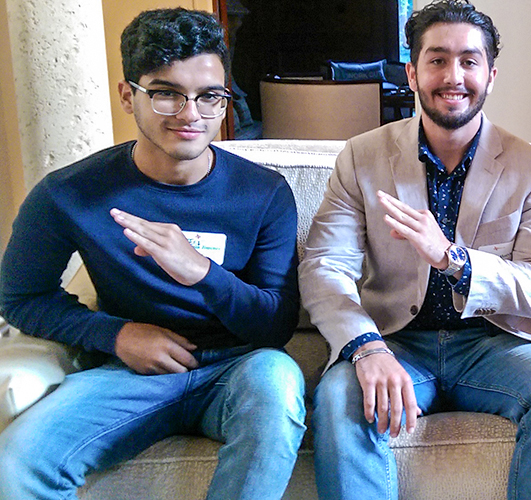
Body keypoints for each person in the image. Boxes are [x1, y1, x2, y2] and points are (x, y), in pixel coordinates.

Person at [0, 8, 305, 500]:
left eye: (209, 97)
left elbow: (277, 324)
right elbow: (20, 297)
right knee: (15, 462)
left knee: (279, 380)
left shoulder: (263, 193)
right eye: (166, 93)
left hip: (239, 367)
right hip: (128, 372)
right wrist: (116, 334)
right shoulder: (68, 194)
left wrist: (203, 273)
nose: (191, 115)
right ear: (129, 96)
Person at [298, 1, 531, 499]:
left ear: (492, 74)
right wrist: (366, 348)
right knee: (340, 396)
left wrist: (454, 259)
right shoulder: (362, 157)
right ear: (412, 72)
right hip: (395, 338)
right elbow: (325, 266)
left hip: (494, 341)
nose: (453, 76)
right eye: (437, 60)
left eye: (469, 61)